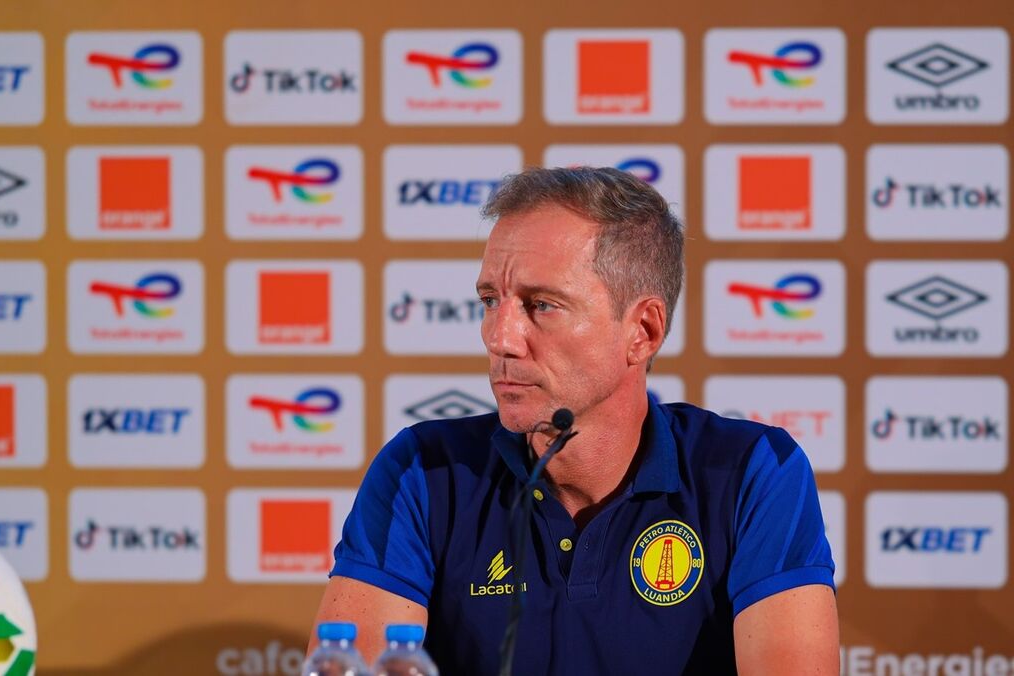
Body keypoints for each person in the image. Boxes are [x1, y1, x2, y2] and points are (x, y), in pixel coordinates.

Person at [309, 166, 839, 674]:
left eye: (541, 305)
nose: (499, 338)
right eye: (490, 300)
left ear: (643, 332)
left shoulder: (750, 472)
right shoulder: (423, 471)